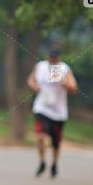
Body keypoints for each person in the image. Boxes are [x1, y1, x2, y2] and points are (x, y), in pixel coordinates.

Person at [27, 48, 78, 178]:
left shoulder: (64, 69)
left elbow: (74, 88)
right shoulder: (40, 66)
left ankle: (54, 163)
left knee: (56, 142)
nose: (52, 62)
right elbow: (31, 80)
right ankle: (42, 161)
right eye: (51, 59)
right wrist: (34, 86)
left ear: (59, 59)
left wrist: (64, 83)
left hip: (58, 111)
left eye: (55, 60)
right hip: (42, 107)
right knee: (40, 136)